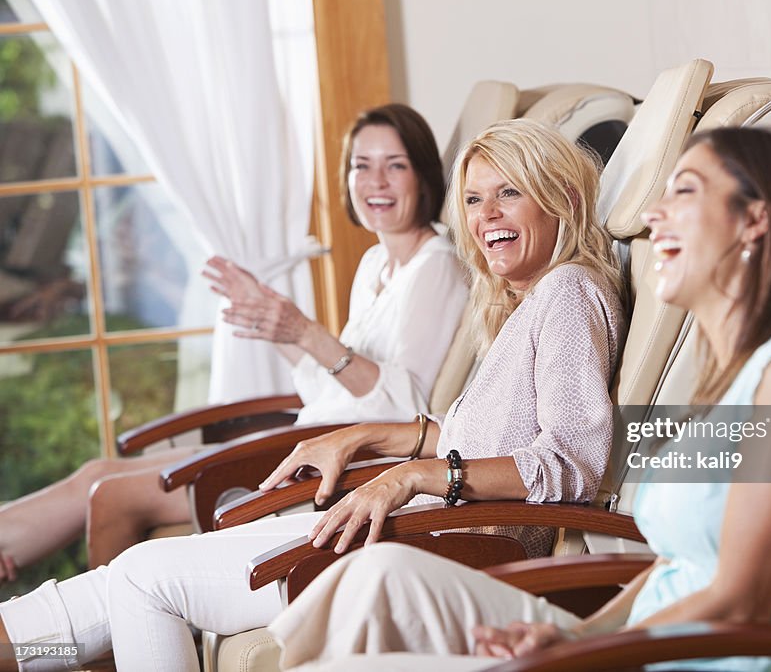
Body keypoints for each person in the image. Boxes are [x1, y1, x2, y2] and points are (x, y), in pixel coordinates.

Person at [0, 118, 626, 672]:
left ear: (562, 198)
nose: (486, 214)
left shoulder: (565, 293)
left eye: (508, 193)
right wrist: (367, 436)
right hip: (411, 525)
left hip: (451, 544)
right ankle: (24, 652)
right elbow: (484, 436)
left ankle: (24, 651)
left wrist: (413, 476)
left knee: (143, 578)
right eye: (474, 199)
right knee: (123, 584)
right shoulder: (524, 305)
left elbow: (570, 465)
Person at [263, 127, 771, 672]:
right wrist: (575, 636)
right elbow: (676, 566)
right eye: (472, 199)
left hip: (678, 659)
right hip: (626, 643)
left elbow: (743, 598)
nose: (654, 215)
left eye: (685, 192)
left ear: (754, 220)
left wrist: (584, 651)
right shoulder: (727, 378)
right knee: (376, 579)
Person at [0, 102, 467, 576]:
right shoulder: (374, 266)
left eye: (396, 166)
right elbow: (332, 387)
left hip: (339, 464)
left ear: (423, 176)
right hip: (304, 439)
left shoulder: (436, 267)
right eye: (361, 166)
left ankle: (98, 645)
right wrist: (276, 323)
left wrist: (306, 331)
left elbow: (405, 411)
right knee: (95, 473)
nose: (376, 182)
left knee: (111, 495)